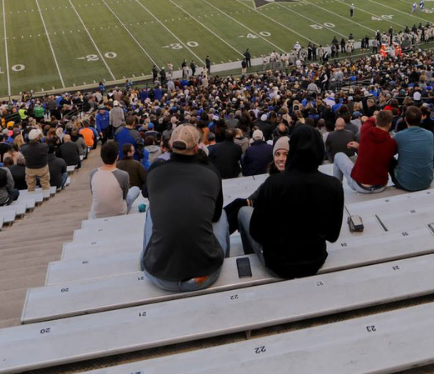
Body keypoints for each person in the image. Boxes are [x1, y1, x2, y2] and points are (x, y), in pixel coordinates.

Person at [233, 125, 344, 278]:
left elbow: (257, 233)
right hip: (315, 260)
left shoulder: (273, 183)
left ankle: (251, 257)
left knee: (243, 211)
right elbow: (332, 236)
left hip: (278, 265)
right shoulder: (334, 185)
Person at [140, 125, 227, 292]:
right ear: (196, 146)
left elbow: (147, 194)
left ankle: (148, 256)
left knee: (151, 211)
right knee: (221, 213)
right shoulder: (211, 172)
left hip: (159, 275)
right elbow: (215, 216)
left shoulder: (155, 171)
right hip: (205, 274)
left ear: (171, 145)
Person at [332, 110, 395, 193]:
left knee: (338, 155)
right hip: (381, 186)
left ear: (376, 121)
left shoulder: (365, 130)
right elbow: (378, 151)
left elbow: (369, 120)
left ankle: (336, 191)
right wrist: (360, 146)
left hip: (360, 186)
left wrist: (375, 117)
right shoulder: (392, 143)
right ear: (390, 124)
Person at [89, 140, 142, 219]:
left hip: (97, 214)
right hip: (119, 212)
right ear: (117, 157)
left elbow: (93, 192)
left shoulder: (93, 173)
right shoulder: (123, 175)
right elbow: (124, 196)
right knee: (136, 189)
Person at [392, 106, 434, 191]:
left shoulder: (398, 136)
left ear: (405, 119)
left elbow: (390, 153)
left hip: (405, 183)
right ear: (421, 119)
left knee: (390, 160)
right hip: (427, 180)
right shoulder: (429, 134)